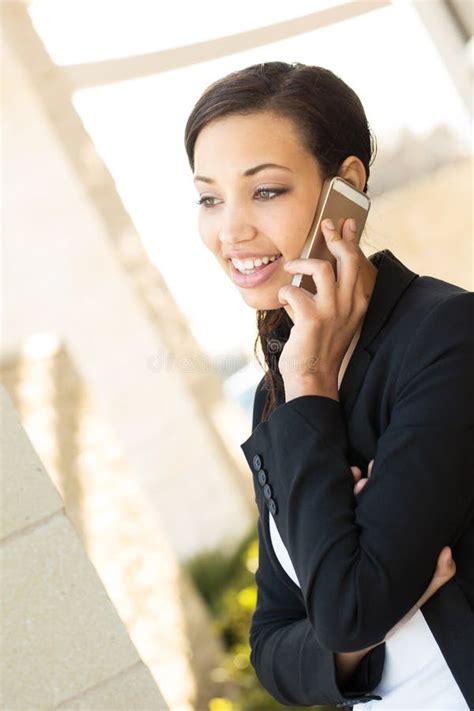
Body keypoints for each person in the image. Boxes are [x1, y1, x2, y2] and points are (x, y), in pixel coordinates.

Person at [184, 62, 474, 709]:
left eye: (265, 191)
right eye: (210, 197)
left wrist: (313, 385)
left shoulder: (446, 335)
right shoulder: (277, 390)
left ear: (346, 187)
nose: (231, 231)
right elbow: (271, 645)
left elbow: (346, 607)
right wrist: (350, 638)